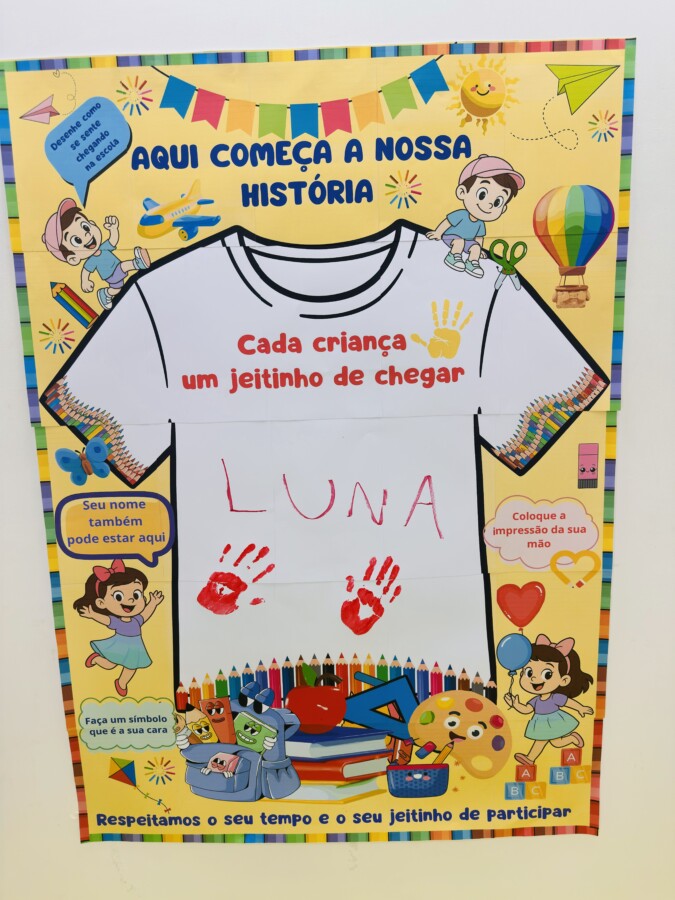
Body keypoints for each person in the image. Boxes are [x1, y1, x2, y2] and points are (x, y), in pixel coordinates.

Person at [73, 558, 163, 696]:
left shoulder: (136, 620)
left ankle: (121, 683)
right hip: (119, 646)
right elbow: (106, 620)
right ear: (101, 603)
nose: (131, 600)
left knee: (132, 667)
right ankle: (96, 659)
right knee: (110, 665)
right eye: (119, 596)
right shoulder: (117, 622)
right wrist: (93, 615)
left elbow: (146, 614)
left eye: (136, 594)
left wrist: (153, 603)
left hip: (135, 648)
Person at [426, 154, 524, 278]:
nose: (490, 204)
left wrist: (479, 249)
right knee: (459, 242)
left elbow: (479, 238)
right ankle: (453, 256)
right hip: (451, 237)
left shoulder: (480, 223)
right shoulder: (461, 214)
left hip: (468, 242)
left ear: (503, 208)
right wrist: (438, 233)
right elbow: (447, 222)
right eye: (482, 194)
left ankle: (472, 263)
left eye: (498, 202)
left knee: (476, 247)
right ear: (462, 192)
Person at [42, 198, 150, 309]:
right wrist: (85, 282)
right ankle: (137, 263)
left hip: (115, 274)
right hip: (110, 275)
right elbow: (86, 271)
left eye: (85, 227)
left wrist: (113, 229)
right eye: (77, 240)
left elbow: (113, 240)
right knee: (123, 267)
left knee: (116, 289)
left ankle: (105, 294)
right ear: (73, 258)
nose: (86, 235)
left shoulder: (103, 248)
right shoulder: (92, 261)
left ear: (92, 224)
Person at [504, 633, 594, 765]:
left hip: (554, 721)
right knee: (549, 742)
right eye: (529, 672)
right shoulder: (535, 700)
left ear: (564, 680)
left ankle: (532, 757)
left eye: (547, 674)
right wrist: (515, 704)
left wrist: (581, 708)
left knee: (548, 741)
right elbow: (527, 709)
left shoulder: (555, 697)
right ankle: (533, 757)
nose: (533, 678)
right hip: (540, 722)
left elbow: (568, 702)